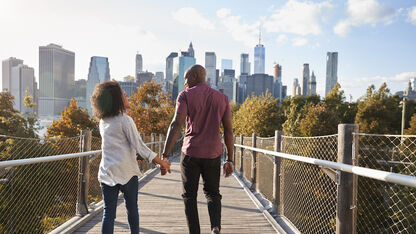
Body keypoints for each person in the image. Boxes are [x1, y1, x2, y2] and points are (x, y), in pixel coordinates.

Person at [90, 80, 171, 234]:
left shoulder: (102, 122)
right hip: (127, 172)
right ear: (116, 100)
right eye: (123, 94)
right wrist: (161, 162)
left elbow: (119, 145)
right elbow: (139, 145)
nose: (127, 96)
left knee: (108, 214)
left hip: (107, 172)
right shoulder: (125, 120)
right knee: (132, 209)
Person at [162, 65, 234, 234]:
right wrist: (230, 159)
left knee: (189, 196)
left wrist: (165, 155)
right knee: (213, 193)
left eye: (186, 79)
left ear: (194, 76)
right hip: (213, 153)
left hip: (191, 153)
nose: (184, 83)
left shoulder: (185, 95)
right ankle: (215, 227)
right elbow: (229, 131)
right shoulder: (222, 98)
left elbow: (176, 125)